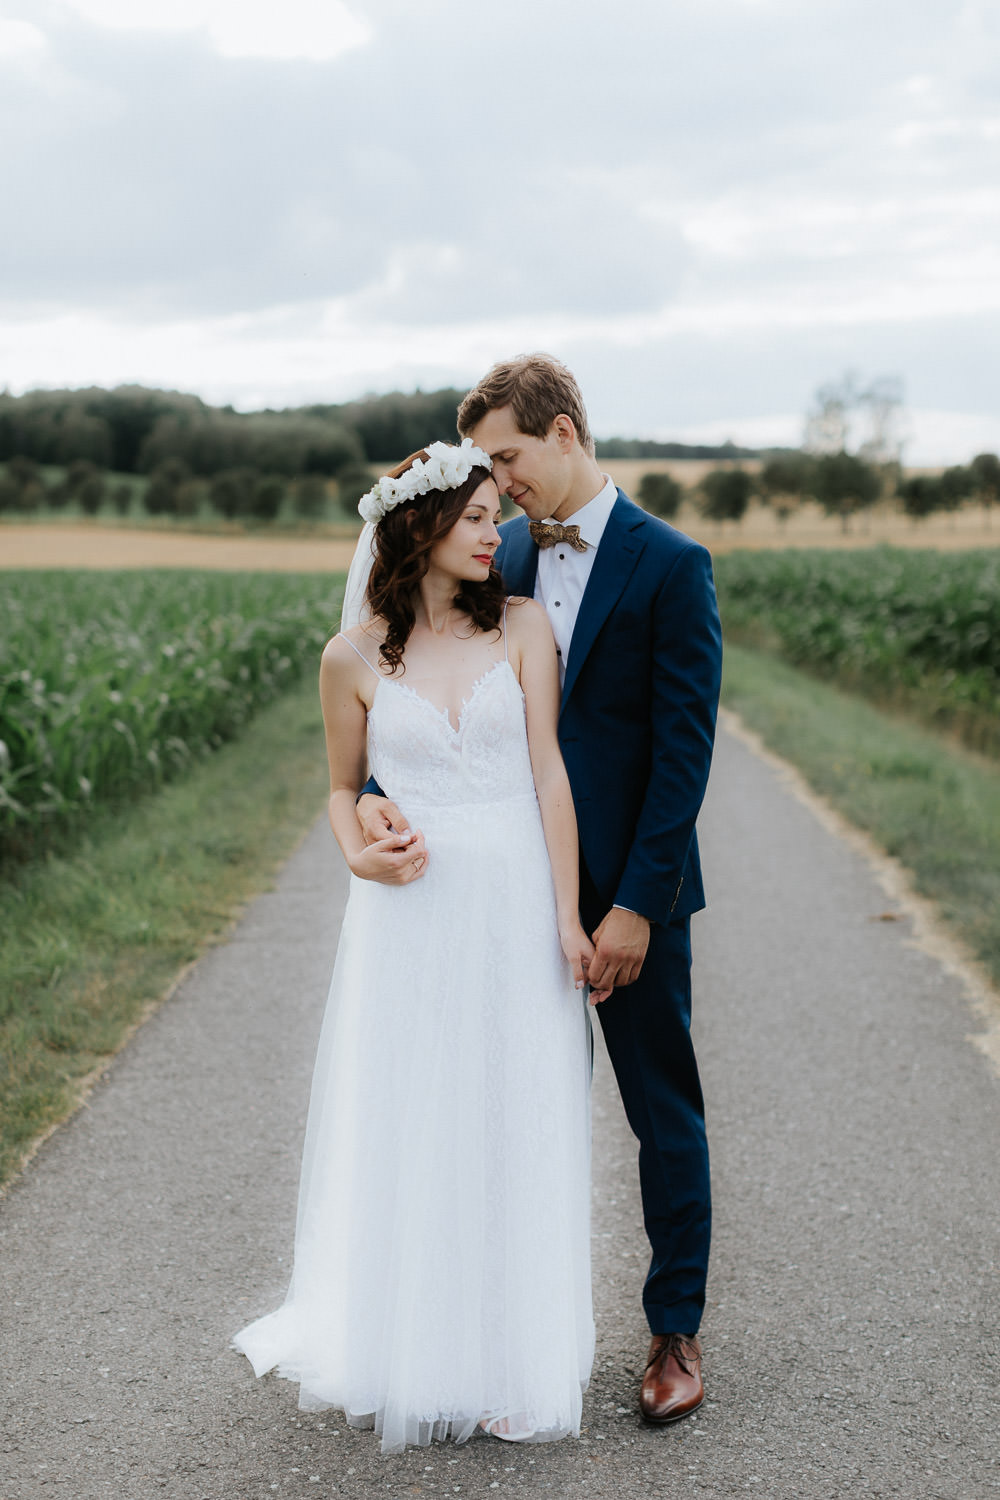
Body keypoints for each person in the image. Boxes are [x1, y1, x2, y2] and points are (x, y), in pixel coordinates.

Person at [358, 357, 722, 1425]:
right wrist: (377, 794)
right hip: (498, 893)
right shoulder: (489, 552)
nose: (499, 480)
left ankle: (674, 1332)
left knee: (663, 1112)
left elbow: (681, 755)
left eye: (508, 457)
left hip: (627, 895)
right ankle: (478, 1337)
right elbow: (421, 684)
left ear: (563, 434)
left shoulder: (671, 564)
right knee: (485, 1108)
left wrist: (634, 907)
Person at [234, 439, 600, 1454]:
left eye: (498, 515)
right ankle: (419, 1346)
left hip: (516, 899)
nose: (499, 533)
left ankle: (507, 1356)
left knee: (512, 1111)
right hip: (410, 917)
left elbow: (550, 779)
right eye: (480, 516)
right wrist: (360, 855)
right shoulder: (349, 658)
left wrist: (567, 918)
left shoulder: (522, 630)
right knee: (422, 1113)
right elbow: (343, 791)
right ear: (418, 527)